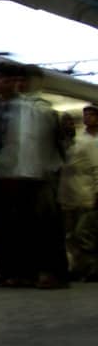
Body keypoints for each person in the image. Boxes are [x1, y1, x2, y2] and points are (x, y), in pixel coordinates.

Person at [0, 61, 67, 288]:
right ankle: (22, 272)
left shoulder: (34, 108)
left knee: (43, 226)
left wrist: (46, 172)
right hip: (10, 176)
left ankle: (49, 273)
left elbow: (40, 144)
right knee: (17, 227)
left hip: (36, 176)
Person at [59, 105, 98, 280]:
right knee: (71, 236)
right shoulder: (69, 145)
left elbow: (96, 168)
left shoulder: (89, 143)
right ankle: (78, 268)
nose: (87, 118)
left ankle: (91, 269)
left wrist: (97, 192)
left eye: (91, 115)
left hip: (85, 196)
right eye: (85, 115)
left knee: (84, 234)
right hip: (68, 197)